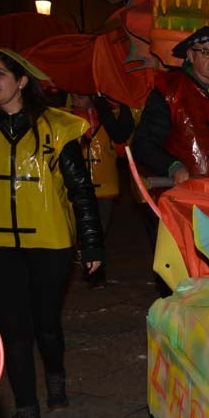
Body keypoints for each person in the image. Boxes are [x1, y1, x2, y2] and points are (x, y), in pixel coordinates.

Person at [0, 45, 104, 418]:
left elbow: (80, 190)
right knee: (15, 332)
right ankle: (26, 416)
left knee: (46, 325)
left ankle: (55, 377)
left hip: (48, 244)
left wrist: (91, 244)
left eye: (0, 73)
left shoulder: (57, 126)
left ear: (21, 80)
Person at [131, 26, 209, 185]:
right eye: (207, 53)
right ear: (191, 55)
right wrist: (172, 166)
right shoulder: (169, 91)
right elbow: (144, 143)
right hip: (181, 194)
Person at [68, 92, 134, 288]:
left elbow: (122, 149)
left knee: (100, 231)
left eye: (79, 95)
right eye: (72, 95)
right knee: (84, 231)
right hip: (79, 187)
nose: (75, 98)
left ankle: (96, 274)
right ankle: (91, 272)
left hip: (106, 186)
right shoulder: (67, 120)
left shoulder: (108, 120)